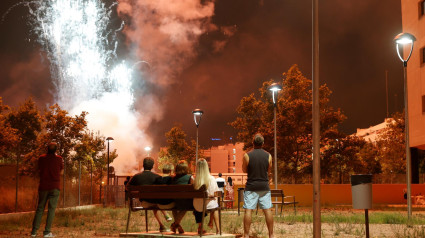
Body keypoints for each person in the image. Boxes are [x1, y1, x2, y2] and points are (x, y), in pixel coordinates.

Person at [242, 134, 274, 238]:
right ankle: (271, 235)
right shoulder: (268, 156)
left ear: (253, 143)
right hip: (264, 186)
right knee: (267, 210)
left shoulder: (247, 155)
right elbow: (269, 171)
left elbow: (244, 170)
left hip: (251, 187)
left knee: (248, 210)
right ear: (263, 143)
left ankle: (246, 235)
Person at [127, 157, 171, 232]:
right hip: (156, 202)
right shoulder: (157, 177)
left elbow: (128, 187)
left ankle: (162, 225)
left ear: (143, 165)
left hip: (144, 203)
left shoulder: (136, 177)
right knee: (155, 203)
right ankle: (164, 218)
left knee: (153, 203)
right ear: (152, 166)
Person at [31, 142, 64, 238]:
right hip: (55, 187)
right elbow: (61, 172)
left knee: (40, 208)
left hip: (43, 186)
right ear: (56, 150)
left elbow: (38, 169)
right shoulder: (59, 159)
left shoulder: (41, 158)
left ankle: (33, 232)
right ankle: (47, 232)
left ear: (47, 149)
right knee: (51, 210)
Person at [193, 159, 220, 235]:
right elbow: (215, 193)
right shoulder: (211, 179)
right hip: (209, 205)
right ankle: (218, 229)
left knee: (199, 202)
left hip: (197, 206)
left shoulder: (194, 179)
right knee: (215, 204)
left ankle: (200, 227)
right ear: (206, 167)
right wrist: (211, 196)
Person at [169, 160, 194, 234]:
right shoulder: (189, 177)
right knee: (185, 207)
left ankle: (177, 225)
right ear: (186, 169)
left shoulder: (173, 178)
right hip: (186, 203)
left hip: (175, 201)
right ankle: (175, 224)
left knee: (174, 208)